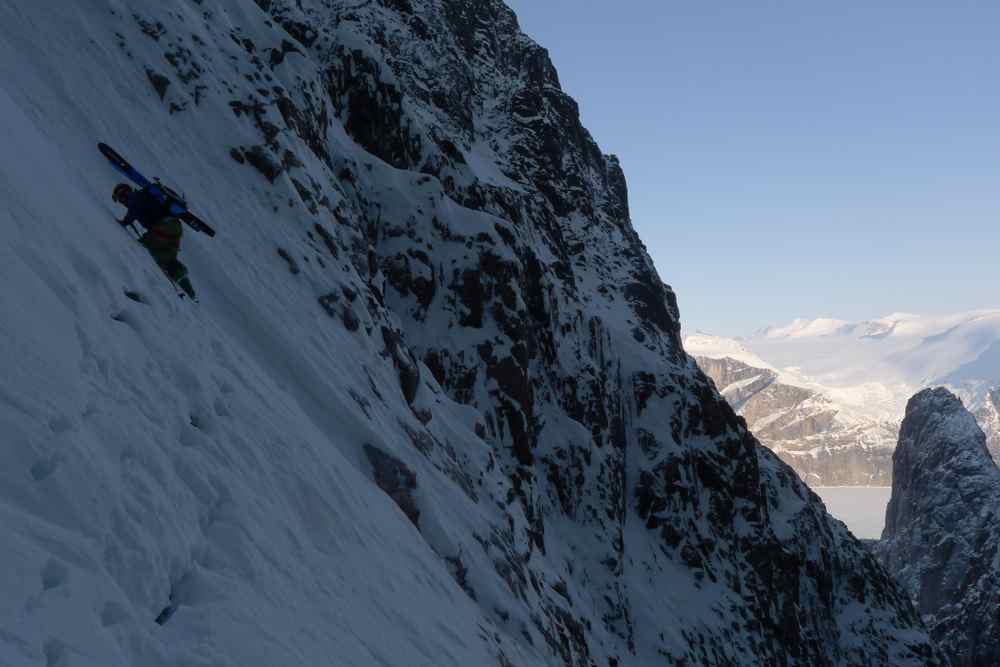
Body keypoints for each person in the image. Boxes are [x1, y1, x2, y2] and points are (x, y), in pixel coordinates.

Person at [112, 183, 197, 299]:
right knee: (169, 261)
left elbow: (134, 209)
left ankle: (178, 285)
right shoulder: (143, 196)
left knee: (147, 246)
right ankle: (190, 292)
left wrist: (125, 222)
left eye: (120, 198)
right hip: (173, 227)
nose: (122, 202)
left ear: (123, 193)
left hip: (164, 227)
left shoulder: (134, 196)